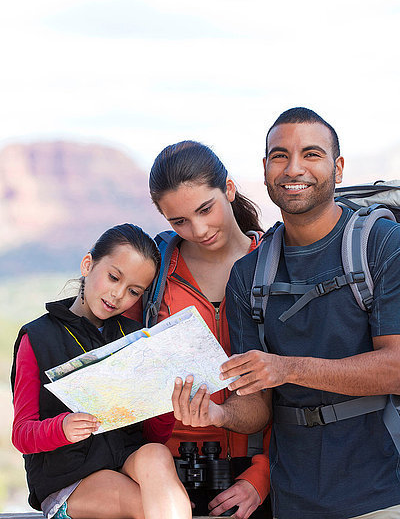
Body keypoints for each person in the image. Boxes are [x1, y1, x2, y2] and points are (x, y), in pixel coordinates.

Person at [171, 108, 400, 519]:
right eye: (279, 156)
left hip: (384, 491)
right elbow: (257, 406)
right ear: (264, 170)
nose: (293, 168)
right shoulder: (248, 275)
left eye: (311, 154)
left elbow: (397, 366)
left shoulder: (383, 244)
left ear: (338, 168)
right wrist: (218, 413)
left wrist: (287, 368)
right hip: (292, 499)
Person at [125, 141, 272, 519]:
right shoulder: (155, 276)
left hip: (260, 472)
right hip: (167, 478)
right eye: (180, 222)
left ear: (230, 189)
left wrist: (263, 474)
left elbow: (301, 390)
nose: (200, 229)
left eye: (206, 209)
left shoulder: (278, 264)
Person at [11, 223, 192, 519]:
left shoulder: (137, 339)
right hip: (70, 480)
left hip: (125, 462)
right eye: (113, 277)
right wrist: (63, 428)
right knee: (150, 505)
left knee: (157, 455)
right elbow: (21, 433)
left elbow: (153, 437)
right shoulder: (38, 338)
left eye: (134, 291)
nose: (118, 294)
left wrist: (165, 405)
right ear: (87, 264)